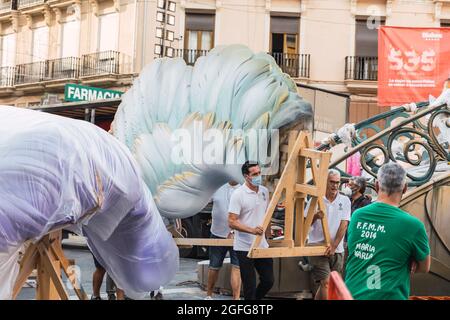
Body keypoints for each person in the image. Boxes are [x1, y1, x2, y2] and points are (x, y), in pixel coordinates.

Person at [345, 162, 430, 300]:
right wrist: (407, 259)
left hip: (352, 295)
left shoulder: (357, 215)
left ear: (377, 185)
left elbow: (354, 250)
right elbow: (424, 267)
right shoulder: (413, 225)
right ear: (405, 188)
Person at [228, 161, 274, 300]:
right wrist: (252, 230)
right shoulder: (238, 194)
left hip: (262, 245)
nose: (258, 176)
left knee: (268, 280)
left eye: (259, 173)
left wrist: (269, 236)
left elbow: (267, 215)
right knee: (250, 286)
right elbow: (231, 221)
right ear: (246, 176)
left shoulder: (264, 191)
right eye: (254, 174)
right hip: (244, 247)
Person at [305, 169, 351, 300]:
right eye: (332, 182)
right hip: (317, 247)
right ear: (325, 182)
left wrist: (334, 246)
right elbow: (304, 224)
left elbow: (344, 224)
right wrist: (315, 216)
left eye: (337, 182)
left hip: (337, 249)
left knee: (330, 284)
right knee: (326, 283)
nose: (335, 185)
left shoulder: (345, 200)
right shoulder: (315, 200)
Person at [205, 181, 242, 300]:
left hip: (237, 236)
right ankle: (209, 295)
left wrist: (234, 232)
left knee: (237, 267)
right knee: (214, 266)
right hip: (217, 233)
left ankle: (236, 299)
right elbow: (203, 200)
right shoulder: (218, 187)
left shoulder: (243, 190)